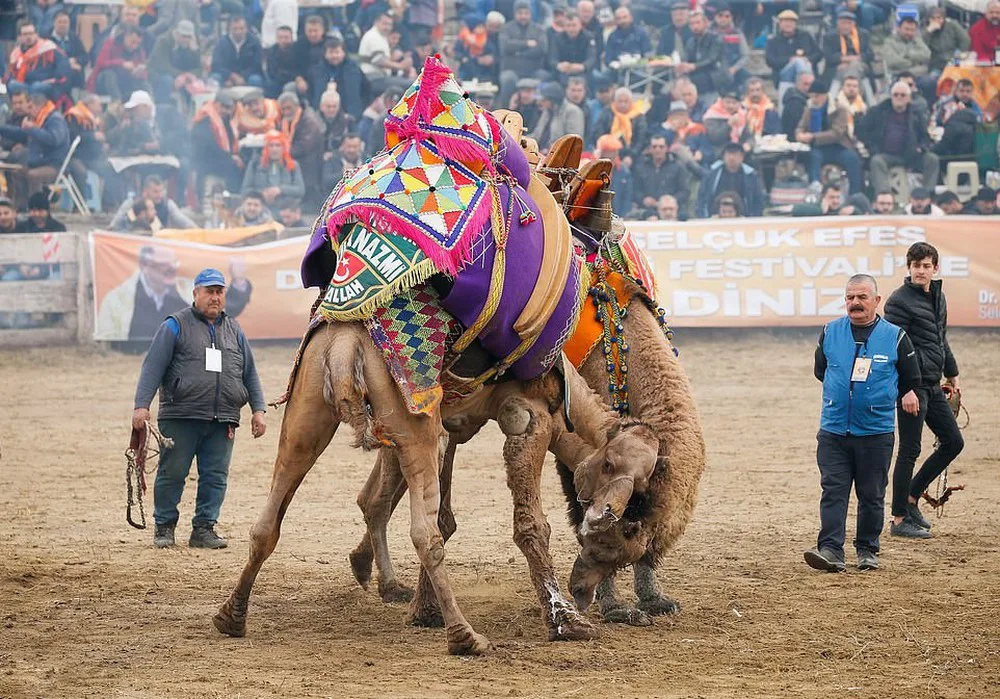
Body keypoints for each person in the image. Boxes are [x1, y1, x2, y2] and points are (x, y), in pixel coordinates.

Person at [131, 268, 267, 549]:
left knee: (215, 477)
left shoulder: (234, 330)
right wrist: (141, 406)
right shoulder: (175, 325)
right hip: (181, 415)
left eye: (219, 292)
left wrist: (258, 409)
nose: (215, 297)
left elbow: (249, 372)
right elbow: (152, 367)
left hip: (223, 418)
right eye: (209, 291)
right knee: (172, 473)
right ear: (195, 293)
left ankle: (204, 529)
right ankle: (164, 527)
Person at [805, 274, 919, 572]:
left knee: (871, 495)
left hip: (876, 433)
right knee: (833, 491)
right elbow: (821, 371)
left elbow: (911, 378)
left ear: (876, 301)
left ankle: (867, 549)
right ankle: (830, 550)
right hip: (833, 430)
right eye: (850, 297)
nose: (855, 303)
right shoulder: (830, 331)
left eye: (862, 297)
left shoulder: (895, 337)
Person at [884, 242, 963, 540]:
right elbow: (894, 349)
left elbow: (940, 339)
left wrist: (952, 372)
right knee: (910, 450)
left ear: (935, 268)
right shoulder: (898, 302)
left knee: (953, 442)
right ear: (909, 268)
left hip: (933, 384)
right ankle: (898, 519)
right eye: (916, 265)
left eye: (926, 266)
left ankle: (912, 497)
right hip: (912, 388)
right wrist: (907, 388)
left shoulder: (938, 297)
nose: (920, 270)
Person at [860, 82, 939, 196]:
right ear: (891, 96)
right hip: (886, 155)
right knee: (876, 161)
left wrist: (921, 148)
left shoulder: (917, 114)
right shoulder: (878, 111)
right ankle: (884, 196)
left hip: (911, 155)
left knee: (932, 159)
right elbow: (862, 130)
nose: (899, 98)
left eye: (903, 95)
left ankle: (927, 195)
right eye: (895, 95)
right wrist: (872, 147)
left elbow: (925, 137)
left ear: (909, 98)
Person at [0, 86, 70, 204]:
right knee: (18, 172)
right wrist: (2, 129)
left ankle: (37, 206)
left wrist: (32, 129)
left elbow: (54, 139)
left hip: (53, 165)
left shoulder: (55, 119)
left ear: (39, 106)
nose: (28, 111)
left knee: (32, 175)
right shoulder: (39, 119)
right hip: (40, 162)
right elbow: (21, 133)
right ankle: (21, 207)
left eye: (30, 107)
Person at [796, 79, 862, 195]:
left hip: (838, 147)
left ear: (825, 95)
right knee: (813, 158)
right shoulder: (809, 109)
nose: (814, 99)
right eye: (812, 96)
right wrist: (800, 135)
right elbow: (801, 127)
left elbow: (837, 133)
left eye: (817, 96)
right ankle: (815, 188)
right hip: (818, 148)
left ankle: (855, 193)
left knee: (852, 159)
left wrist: (813, 137)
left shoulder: (839, 109)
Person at [277, 91, 324, 207]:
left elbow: (304, 147)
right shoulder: (284, 121)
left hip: (309, 160)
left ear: (297, 106)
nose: (286, 112)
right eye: (283, 109)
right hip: (292, 156)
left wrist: (282, 153)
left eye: (289, 108)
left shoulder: (309, 120)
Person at [696, 142, 765, 218]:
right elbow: (702, 199)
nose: (732, 158)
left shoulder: (751, 176)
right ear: (723, 157)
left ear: (742, 157)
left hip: (743, 219)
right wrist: (705, 218)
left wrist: (752, 219)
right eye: (729, 154)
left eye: (735, 155)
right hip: (715, 218)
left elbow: (758, 201)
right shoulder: (711, 174)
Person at [241, 131, 305, 211]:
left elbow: (300, 190)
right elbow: (245, 190)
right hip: (261, 209)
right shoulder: (255, 164)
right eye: (271, 145)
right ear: (266, 148)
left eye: (278, 145)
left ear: (283, 148)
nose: (274, 149)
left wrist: (280, 189)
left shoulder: (293, 165)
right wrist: (261, 194)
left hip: (285, 210)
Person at [632, 135, 690, 219]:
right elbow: (635, 190)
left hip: (671, 213)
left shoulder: (678, 167)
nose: (658, 149)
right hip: (648, 213)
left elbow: (685, 191)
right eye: (654, 147)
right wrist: (643, 199)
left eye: (661, 147)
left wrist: (671, 201)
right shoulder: (640, 168)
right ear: (650, 149)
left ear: (667, 148)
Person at [765, 10, 822, 96]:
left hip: (807, 66)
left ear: (796, 24)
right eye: (785, 21)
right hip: (784, 74)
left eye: (791, 22)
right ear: (780, 24)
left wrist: (807, 59)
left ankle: (805, 83)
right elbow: (770, 61)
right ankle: (809, 84)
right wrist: (790, 60)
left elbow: (818, 54)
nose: (788, 24)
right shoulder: (773, 41)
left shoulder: (805, 36)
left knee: (800, 61)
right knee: (797, 61)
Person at [4, 21, 69, 96]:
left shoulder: (48, 48)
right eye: (25, 34)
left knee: (37, 86)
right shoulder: (16, 54)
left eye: (31, 33)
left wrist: (53, 80)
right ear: (20, 37)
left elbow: (62, 66)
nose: (28, 37)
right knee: (12, 84)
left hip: (44, 83)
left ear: (36, 35)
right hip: (24, 85)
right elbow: (12, 74)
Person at [309, 37, 367, 119]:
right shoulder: (317, 70)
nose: (334, 56)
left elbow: (366, 90)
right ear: (325, 54)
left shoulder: (353, 69)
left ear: (343, 53)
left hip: (350, 116)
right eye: (331, 52)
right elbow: (311, 91)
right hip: (321, 117)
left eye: (337, 52)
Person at [111, 175, 196, 231]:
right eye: (155, 192)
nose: (159, 195)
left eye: (161, 191)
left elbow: (184, 221)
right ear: (145, 191)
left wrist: (198, 231)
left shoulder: (167, 204)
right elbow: (115, 225)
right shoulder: (132, 204)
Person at [88, 25, 149, 101]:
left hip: (126, 82)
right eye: (133, 42)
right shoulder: (110, 43)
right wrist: (121, 64)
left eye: (138, 43)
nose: (135, 46)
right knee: (109, 74)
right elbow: (101, 63)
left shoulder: (139, 50)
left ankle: (150, 102)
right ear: (126, 36)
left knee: (144, 83)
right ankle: (117, 101)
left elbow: (143, 67)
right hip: (103, 83)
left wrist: (139, 72)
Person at [821, 10, 874, 89]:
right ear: (837, 23)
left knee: (855, 66)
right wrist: (846, 59)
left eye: (849, 23)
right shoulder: (829, 36)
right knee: (851, 68)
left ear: (854, 24)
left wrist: (856, 59)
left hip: (861, 65)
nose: (846, 26)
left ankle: (847, 90)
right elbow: (828, 56)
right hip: (837, 66)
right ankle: (855, 92)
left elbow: (870, 54)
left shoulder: (863, 34)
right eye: (843, 23)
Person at [675, 11, 723, 98]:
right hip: (695, 72)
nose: (695, 26)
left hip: (713, 72)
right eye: (692, 24)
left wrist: (694, 66)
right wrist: (683, 66)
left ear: (705, 23)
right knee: (677, 81)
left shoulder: (715, 38)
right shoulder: (691, 41)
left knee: (696, 80)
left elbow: (712, 59)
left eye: (698, 23)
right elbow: (687, 59)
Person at [594, 87, 648, 159]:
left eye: (626, 101)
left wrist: (631, 156)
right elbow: (599, 134)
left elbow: (641, 139)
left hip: (632, 154)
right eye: (620, 101)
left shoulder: (638, 116)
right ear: (615, 101)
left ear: (631, 102)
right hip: (608, 153)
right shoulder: (606, 113)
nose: (623, 104)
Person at [530, 82, 585, 150]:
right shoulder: (547, 111)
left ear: (553, 100)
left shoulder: (573, 111)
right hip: (539, 151)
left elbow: (573, 141)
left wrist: (552, 149)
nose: (540, 102)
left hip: (558, 153)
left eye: (544, 100)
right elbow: (537, 134)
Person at [210, 16, 263, 87]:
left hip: (247, 76)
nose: (238, 32)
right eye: (235, 29)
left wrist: (243, 77)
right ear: (230, 29)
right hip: (227, 76)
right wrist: (230, 76)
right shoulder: (221, 42)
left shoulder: (254, 42)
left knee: (256, 80)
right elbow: (216, 65)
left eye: (241, 28)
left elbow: (257, 65)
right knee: (215, 78)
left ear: (246, 29)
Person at [550, 11, 596, 85]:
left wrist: (583, 66)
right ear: (564, 26)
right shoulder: (557, 38)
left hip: (583, 71)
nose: (571, 29)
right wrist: (559, 65)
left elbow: (592, 58)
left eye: (574, 25)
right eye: (568, 25)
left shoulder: (588, 37)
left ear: (580, 25)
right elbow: (552, 59)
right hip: (563, 72)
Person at [49, 10, 88, 93]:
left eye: (65, 22)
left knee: (77, 73)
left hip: (74, 72)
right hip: (54, 71)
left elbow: (85, 57)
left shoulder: (74, 38)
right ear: (54, 23)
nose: (63, 25)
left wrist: (76, 60)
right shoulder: (47, 39)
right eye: (60, 22)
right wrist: (67, 64)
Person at [924, 7, 971, 74]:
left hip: (952, 61)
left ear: (943, 18)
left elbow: (965, 40)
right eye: (933, 18)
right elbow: (921, 46)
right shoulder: (925, 28)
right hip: (935, 64)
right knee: (933, 77)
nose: (936, 20)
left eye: (939, 18)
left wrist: (958, 53)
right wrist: (928, 31)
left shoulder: (952, 25)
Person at [781, 70, 813, 141]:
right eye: (805, 84)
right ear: (797, 84)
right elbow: (798, 126)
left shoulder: (806, 99)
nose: (809, 88)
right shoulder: (795, 102)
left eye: (811, 84)